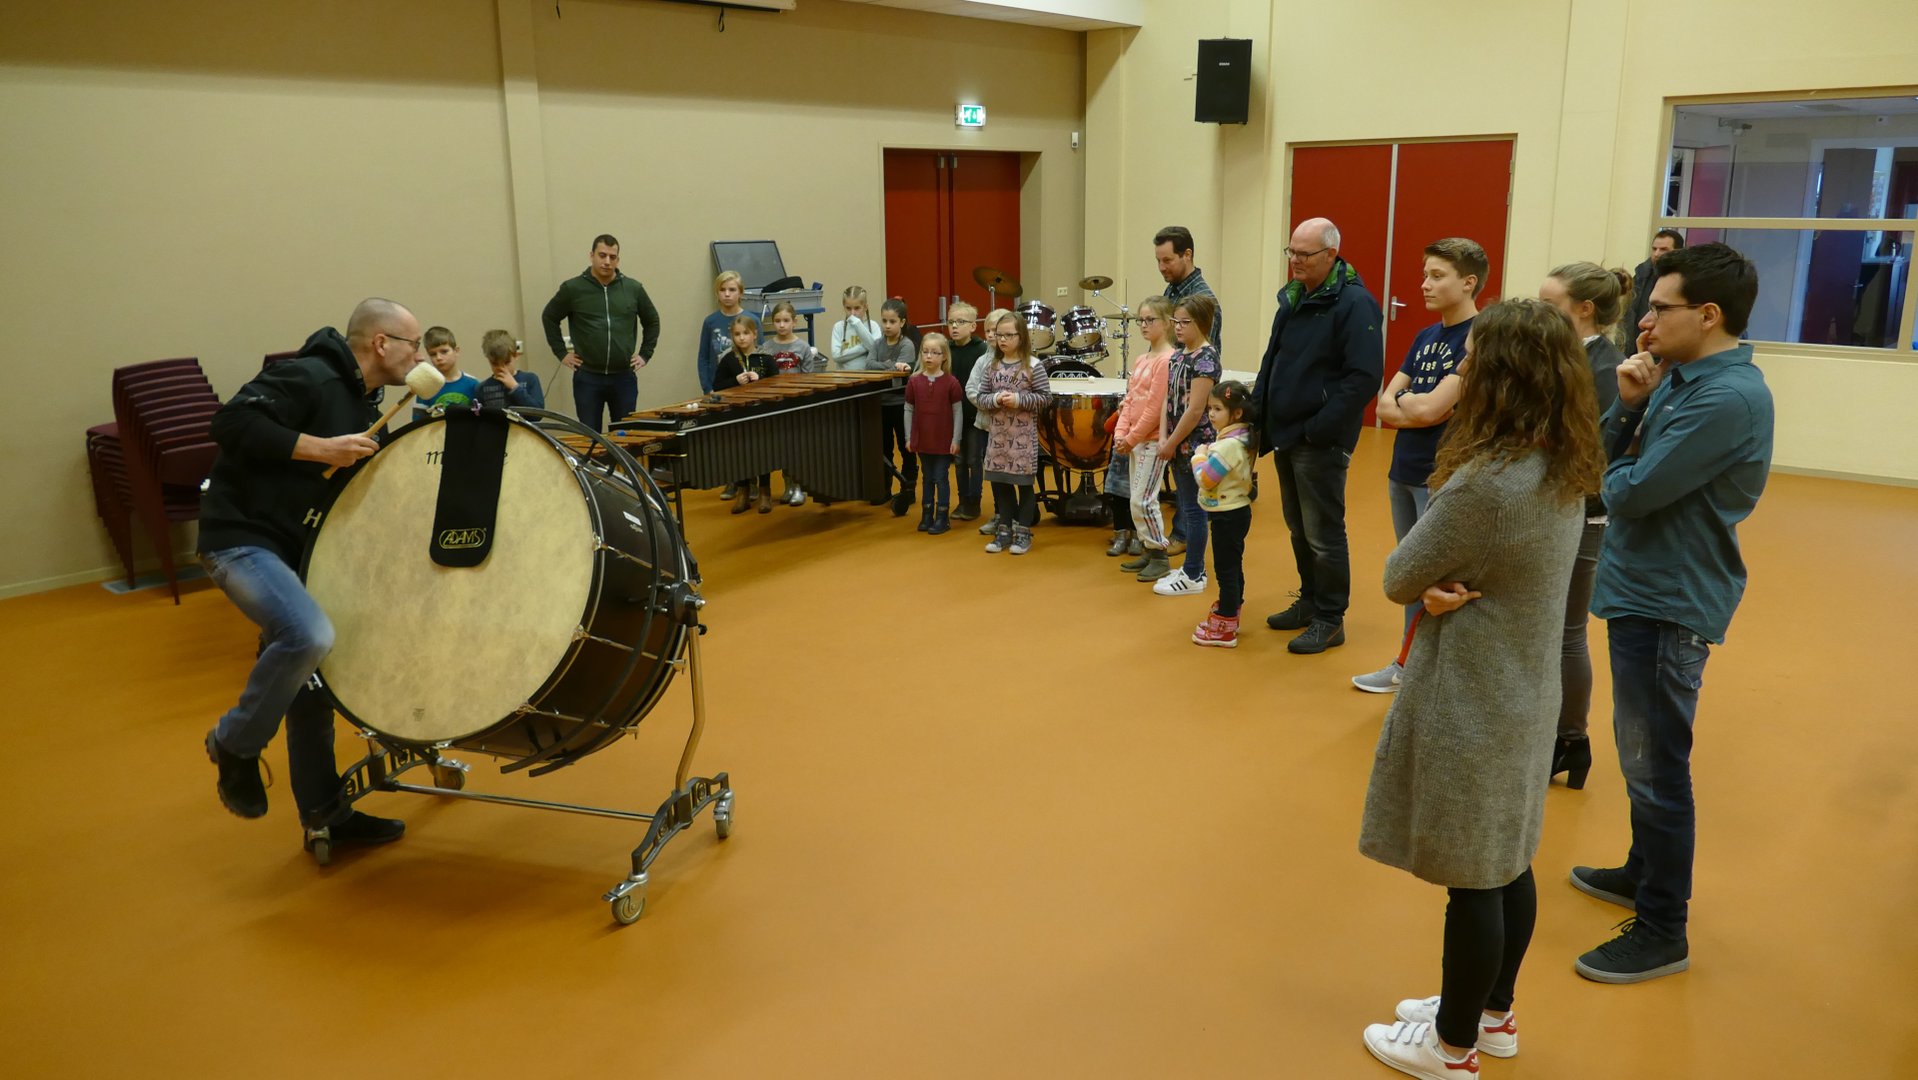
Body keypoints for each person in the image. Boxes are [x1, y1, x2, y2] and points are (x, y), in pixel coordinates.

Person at [1356, 298, 1605, 1080]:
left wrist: (1428, 592)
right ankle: (1492, 1014)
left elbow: (1400, 575)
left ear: (1500, 376)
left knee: (1472, 876)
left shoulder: (1486, 485)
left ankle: (1453, 1046)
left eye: (1473, 361)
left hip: (1474, 695)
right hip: (1524, 691)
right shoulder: (1561, 465)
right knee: (1508, 860)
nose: (1460, 369)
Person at [1571, 242, 1772, 985]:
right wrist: (1629, 411)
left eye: (1660, 308)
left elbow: (1623, 492)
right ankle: (1641, 869)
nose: (1645, 322)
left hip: (1669, 599)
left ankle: (1663, 928)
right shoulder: (1678, 380)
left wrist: (1622, 444)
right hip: (1644, 586)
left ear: (1708, 315)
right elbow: (1607, 473)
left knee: (1657, 767)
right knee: (1640, 753)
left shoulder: (1725, 400)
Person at [197, 298, 424, 850]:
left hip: (300, 551)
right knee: (308, 634)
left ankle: (326, 815)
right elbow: (230, 422)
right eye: (413, 345)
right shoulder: (310, 375)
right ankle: (234, 742)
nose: (419, 356)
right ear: (381, 343)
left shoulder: (364, 403)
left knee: (311, 683)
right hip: (242, 539)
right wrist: (321, 448)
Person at [1352, 238, 1485, 693]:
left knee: (1441, 579)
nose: (1424, 284)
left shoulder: (1479, 339)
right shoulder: (1425, 336)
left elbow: (1427, 409)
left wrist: (1410, 403)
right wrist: (1416, 405)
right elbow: (1383, 405)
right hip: (1403, 469)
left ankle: (1433, 672)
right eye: (1425, 274)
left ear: (1468, 282)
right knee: (1412, 574)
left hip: (1442, 476)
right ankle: (1408, 664)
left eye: (1437, 276)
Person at [1254, 216, 1386, 654]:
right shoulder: (1294, 297)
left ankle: (1330, 618)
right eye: (1291, 251)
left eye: (1304, 254)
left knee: (1323, 533)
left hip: (1319, 439)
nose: (1295, 260)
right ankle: (1309, 601)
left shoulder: (1354, 303)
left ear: (1331, 255)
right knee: (1298, 527)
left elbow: (1364, 377)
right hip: (1286, 433)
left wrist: (1319, 428)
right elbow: (1272, 360)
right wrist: (1257, 414)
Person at [1537, 261, 1630, 787]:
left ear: (1584, 309)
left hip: (1581, 512)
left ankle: (1571, 739)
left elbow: (1592, 449)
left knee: (1568, 633)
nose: (1540, 313)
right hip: (1554, 507)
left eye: (1549, 305)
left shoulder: (1605, 370)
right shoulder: (1564, 358)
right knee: (1549, 628)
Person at [541, 234, 660, 432]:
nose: (607, 262)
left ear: (618, 260)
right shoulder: (573, 288)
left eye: (612, 257)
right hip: (588, 377)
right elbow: (549, 317)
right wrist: (561, 353)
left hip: (623, 377)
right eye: (602, 255)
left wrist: (645, 354)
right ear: (592, 255)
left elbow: (652, 321)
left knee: (624, 435)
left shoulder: (633, 289)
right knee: (590, 437)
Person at [1150, 294, 1221, 597]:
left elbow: (1194, 411)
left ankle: (1193, 573)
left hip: (1194, 445)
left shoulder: (1205, 359)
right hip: (1175, 443)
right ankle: (1194, 568)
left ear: (1201, 323)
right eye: (1175, 321)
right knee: (1185, 504)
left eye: (1184, 322)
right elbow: (1168, 399)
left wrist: (1172, 442)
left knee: (1194, 510)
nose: (1177, 327)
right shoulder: (1179, 356)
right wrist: (1163, 437)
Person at [972, 312, 1051, 555]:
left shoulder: (1034, 366)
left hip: (1023, 440)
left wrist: (1018, 400)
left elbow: (1045, 398)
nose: (1002, 340)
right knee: (1000, 484)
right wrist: (996, 399)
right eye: (999, 335)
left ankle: (1023, 531)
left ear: (1021, 337)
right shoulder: (992, 366)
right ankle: (1004, 530)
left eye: (1008, 335)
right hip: (998, 438)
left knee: (1024, 485)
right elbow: (981, 397)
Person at [1188, 381, 1257, 648]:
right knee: (1233, 564)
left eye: (1217, 409)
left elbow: (1206, 479)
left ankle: (1226, 624)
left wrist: (1198, 457)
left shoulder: (1227, 446)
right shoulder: (1243, 436)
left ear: (1236, 413)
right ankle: (1232, 606)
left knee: (1225, 569)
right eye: (1210, 409)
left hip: (1226, 515)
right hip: (1237, 512)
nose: (1211, 414)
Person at [1112, 296, 1176, 577]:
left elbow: (1155, 407)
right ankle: (1150, 550)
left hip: (1151, 441)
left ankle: (1160, 556)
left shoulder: (1167, 360)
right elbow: (1130, 400)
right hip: (1136, 440)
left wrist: (1132, 437)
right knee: (1135, 499)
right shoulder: (1141, 359)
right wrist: (1120, 432)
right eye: (1141, 320)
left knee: (1144, 500)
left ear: (1167, 323)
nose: (1144, 325)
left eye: (1150, 320)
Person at [761, 301, 828, 506]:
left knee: (797, 445)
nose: (782, 325)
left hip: (796, 403)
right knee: (782, 446)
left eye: (786, 320)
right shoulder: (767, 348)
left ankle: (799, 485)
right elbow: (764, 378)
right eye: (777, 321)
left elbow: (809, 377)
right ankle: (788, 484)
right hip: (776, 403)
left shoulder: (803, 347)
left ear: (794, 322)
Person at [714, 315, 779, 514]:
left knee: (763, 452)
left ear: (754, 334)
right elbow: (717, 386)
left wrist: (761, 379)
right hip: (738, 414)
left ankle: (765, 492)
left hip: (762, 414)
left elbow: (777, 382)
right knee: (740, 453)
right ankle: (743, 492)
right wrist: (735, 381)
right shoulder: (728, 360)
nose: (742, 338)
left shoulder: (766, 358)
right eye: (737, 334)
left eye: (746, 333)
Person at [903, 332, 964, 534]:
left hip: (943, 440)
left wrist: (956, 439)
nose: (928, 356)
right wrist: (909, 437)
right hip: (923, 439)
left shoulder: (951, 383)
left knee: (940, 477)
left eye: (934, 352)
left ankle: (942, 517)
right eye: (925, 352)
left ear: (944, 356)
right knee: (927, 477)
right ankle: (927, 514)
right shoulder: (914, 381)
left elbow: (957, 412)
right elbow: (908, 409)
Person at [871, 299, 920, 514]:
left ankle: (908, 489)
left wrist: (884, 368)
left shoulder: (906, 344)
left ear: (902, 322)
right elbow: (869, 365)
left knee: (906, 447)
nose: (887, 325)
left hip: (901, 404)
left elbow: (900, 373)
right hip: (881, 403)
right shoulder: (877, 344)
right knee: (883, 449)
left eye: (892, 321)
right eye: (884, 321)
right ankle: (884, 489)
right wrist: (891, 367)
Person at [966, 307, 1013, 534]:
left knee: (1012, 473)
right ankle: (999, 514)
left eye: (997, 330)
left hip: (1012, 429)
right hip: (986, 426)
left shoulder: (1017, 362)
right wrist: (992, 402)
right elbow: (971, 389)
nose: (993, 335)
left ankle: (1014, 516)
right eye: (989, 331)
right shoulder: (981, 361)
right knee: (994, 474)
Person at [946, 302, 991, 521]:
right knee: (959, 460)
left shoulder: (981, 349)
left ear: (973, 326)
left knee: (974, 459)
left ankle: (974, 502)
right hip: (953, 416)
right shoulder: (946, 349)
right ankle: (962, 500)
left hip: (974, 415)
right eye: (951, 322)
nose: (954, 326)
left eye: (960, 322)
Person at [1156, 225, 1221, 350]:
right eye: (1158, 261)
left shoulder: (1204, 299)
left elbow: (1201, 356)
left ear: (1187, 254)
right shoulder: (1171, 289)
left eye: (1167, 260)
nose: (1161, 267)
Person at [698, 270, 758, 395]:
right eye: (722, 290)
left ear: (740, 292)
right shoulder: (710, 322)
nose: (727, 294)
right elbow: (703, 358)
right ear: (717, 293)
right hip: (718, 387)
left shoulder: (753, 320)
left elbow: (760, 354)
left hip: (748, 388)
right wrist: (707, 388)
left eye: (732, 290)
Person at [1624, 228, 1684, 340]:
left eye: (1663, 249)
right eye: (1654, 249)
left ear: (1678, 252)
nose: (1656, 254)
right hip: (1637, 340)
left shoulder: (1684, 279)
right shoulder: (1641, 276)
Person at [414, 326, 481, 418]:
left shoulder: (474, 385)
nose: (438, 358)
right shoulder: (425, 388)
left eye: (444, 351)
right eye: (433, 354)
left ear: (456, 351)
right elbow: (418, 423)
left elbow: (481, 418)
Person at [476, 330, 546, 410]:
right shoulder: (482, 388)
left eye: (507, 363)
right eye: (495, 364)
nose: (502, 369)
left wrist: (515, 387)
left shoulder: (530, 379)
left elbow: (538, 412)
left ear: (516, 355)